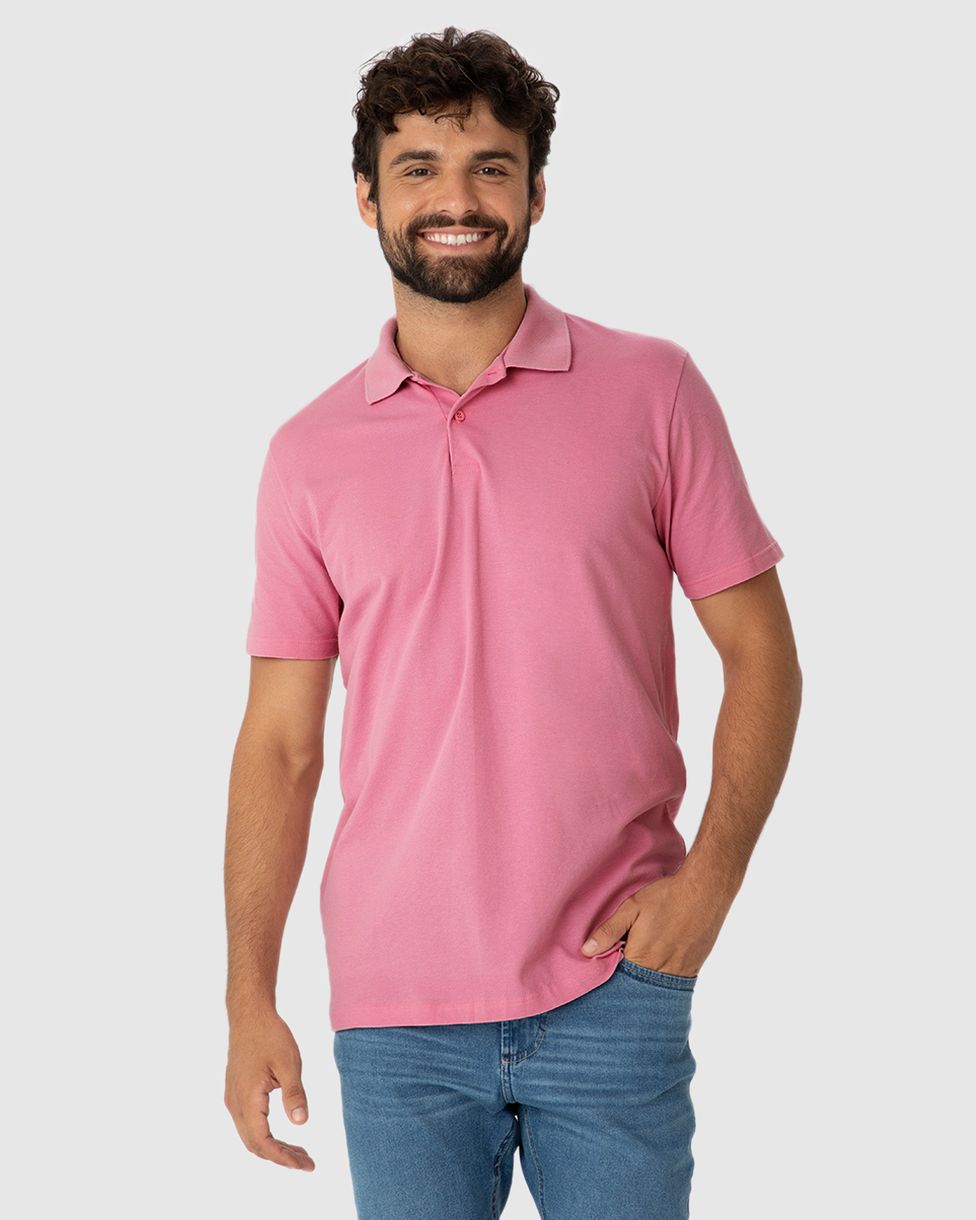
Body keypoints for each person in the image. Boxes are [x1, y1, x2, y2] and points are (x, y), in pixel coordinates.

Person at [223, 25, 802, 1220]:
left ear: (536, 192)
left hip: (614, 981)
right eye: (419, 167)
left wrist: (707, 885)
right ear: (366, 196)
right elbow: (279, 743)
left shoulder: (653, 390)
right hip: (393, 1012)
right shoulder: (307, 454)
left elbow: (761, 655)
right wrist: (247, 995)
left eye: (490, 166)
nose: (456, 199)